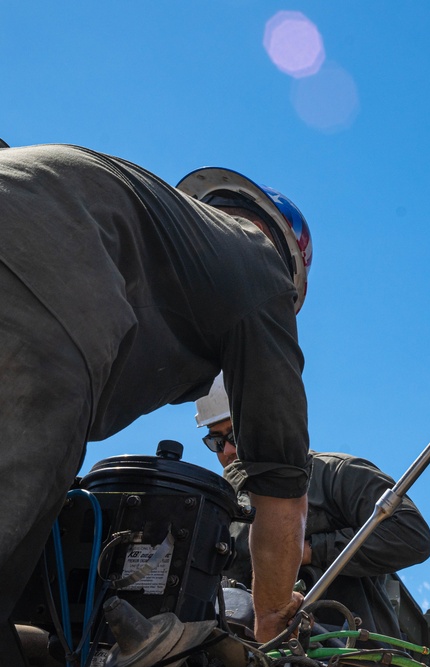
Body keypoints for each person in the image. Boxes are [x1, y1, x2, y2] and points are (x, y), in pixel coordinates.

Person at [0, 143, 314, 646]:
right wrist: (273, 617)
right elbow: (279, 487)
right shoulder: (259, 266)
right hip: (35, 295)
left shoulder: (148, 222)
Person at [195, 375, 430, 644]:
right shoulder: (221, 509)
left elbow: (411, 536)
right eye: (216, 441)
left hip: (350, 655)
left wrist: (305, 550)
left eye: (234, 435)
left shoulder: (335, 475)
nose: (227, 450)